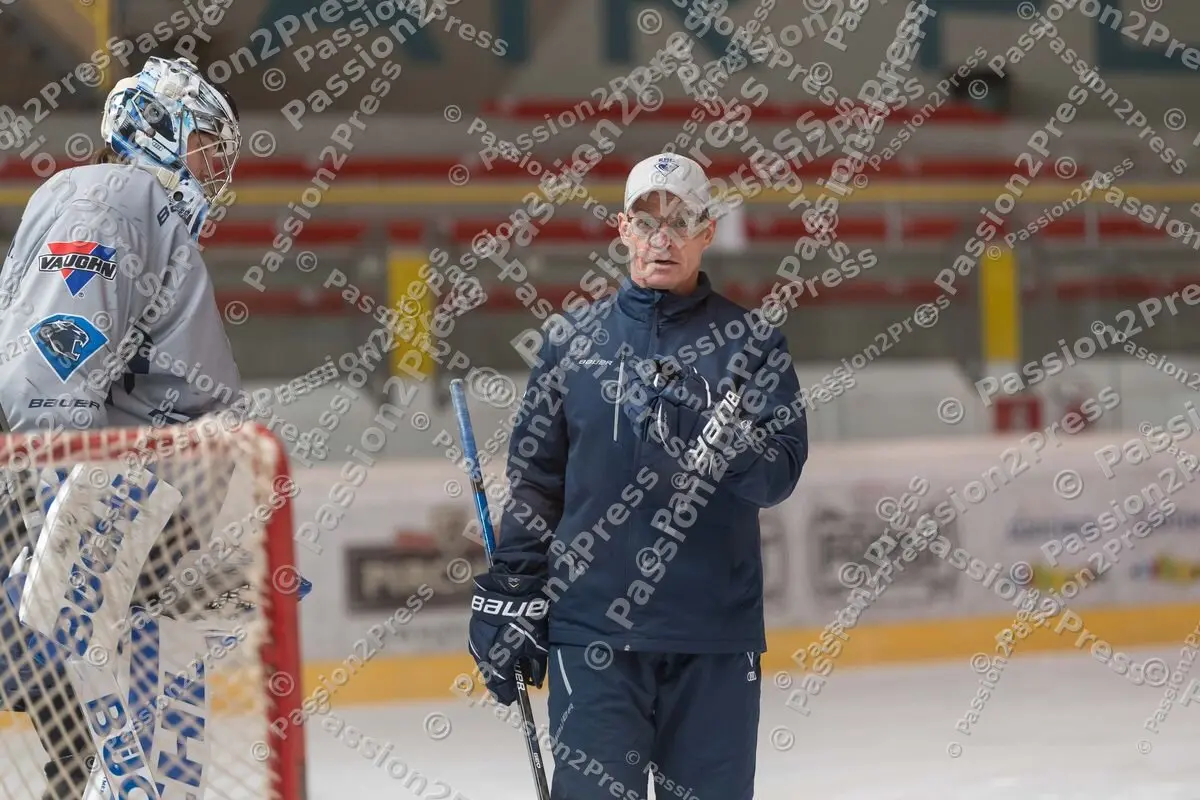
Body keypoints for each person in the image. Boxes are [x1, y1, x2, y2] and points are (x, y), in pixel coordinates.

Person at [468, 152, 809, 799]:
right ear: (621, 229)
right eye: (647, 221)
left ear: (707, 232)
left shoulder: (752, 344)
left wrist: (731, 449)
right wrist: (511, 584)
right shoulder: (571, 341)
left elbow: (781, 473)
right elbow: (538, 480)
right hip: (591, 637)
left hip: (712, 638)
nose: (662, 238)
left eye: (680, 222)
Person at [0, 56, 243, 799]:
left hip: (141, 543)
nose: (215, 169)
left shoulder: (138, 209)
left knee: (160, 769)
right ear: (156, 129)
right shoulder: (110, 198)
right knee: (147, 774)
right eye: (205, 145)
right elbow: (47, 376)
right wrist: (64, 532)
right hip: (111, 530)